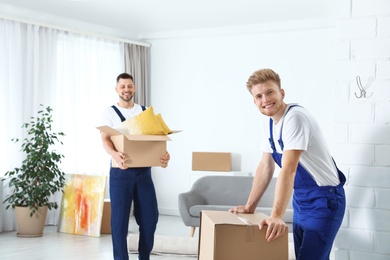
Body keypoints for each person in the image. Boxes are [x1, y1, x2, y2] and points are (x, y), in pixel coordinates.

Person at [229, 68, 346, 260]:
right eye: (259, 96)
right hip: (301, 200)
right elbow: (266, 167)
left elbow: (289, 169)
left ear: (281, 93)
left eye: (270, 92)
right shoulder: (269, 124)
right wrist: (250, 205)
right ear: (254, 101)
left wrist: (276, 215)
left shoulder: (295, 119)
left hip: (324, 200)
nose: (265, 99)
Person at [100, 72, 170, 260]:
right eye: (122, 86)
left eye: (129, 86)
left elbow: (156, 140)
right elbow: (105, 140)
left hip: (143, 173)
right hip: (120, 172)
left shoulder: (145, 111)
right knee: (119, 222)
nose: (126, 90)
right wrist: (115, 154)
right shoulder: (110, 112)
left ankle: (144, 256)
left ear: (134, 88)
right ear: (117, 89)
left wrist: (163, 156)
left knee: (150, 218)